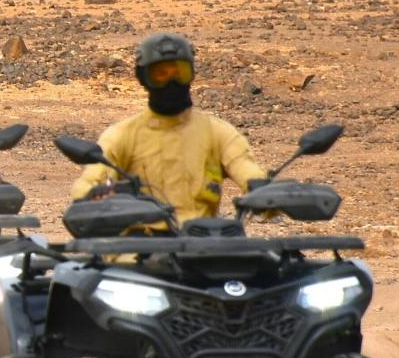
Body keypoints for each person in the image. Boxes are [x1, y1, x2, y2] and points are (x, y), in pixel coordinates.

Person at [69, 32, 267, 223]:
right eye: (160, 74)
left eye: (179, 72)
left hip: (203, 245)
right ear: (143, 78)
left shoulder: (218, 133)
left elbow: (251, 175)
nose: (171, 82)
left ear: (191, 74)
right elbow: (88, 183)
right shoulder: (122, 135)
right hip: (139, 247)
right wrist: (93, 195)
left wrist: (265, 194)